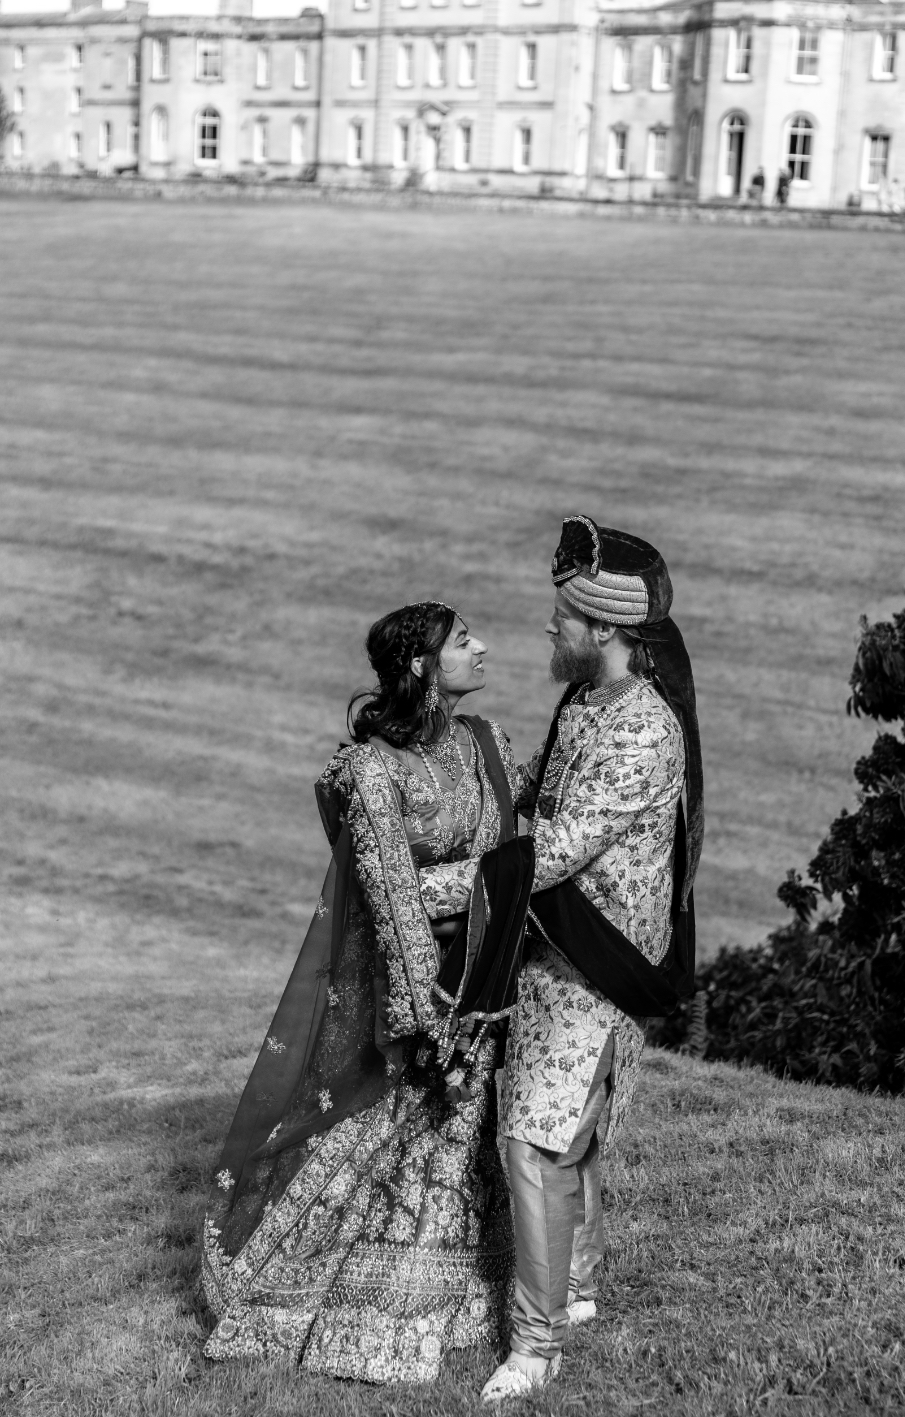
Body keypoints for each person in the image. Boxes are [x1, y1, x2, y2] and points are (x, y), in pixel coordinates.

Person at [201, 601, 525, 1383]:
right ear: (420, 665)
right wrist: (428, 1018)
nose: (481, 648)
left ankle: (474, 1291)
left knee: (464, 1144)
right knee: (391, 1139)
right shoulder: (372, 772)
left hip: (489, 974)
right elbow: (389, 897)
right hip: (419, 985)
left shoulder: (487, 742)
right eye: (462, 642)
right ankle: (361, 1308)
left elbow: (520, 851)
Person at [419, 518, 703, 1402]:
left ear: (605, 628)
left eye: (563, 618)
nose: (549, 626)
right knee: (563, 1131)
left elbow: (552, 849)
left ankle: (534, 1348)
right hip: (552, 954)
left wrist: (416, 888)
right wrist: (440, 751)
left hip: (598, 966)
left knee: (533, 1141)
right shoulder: (583, 700)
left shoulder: (642, 731)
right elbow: (529, 786)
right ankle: (576, 1287)